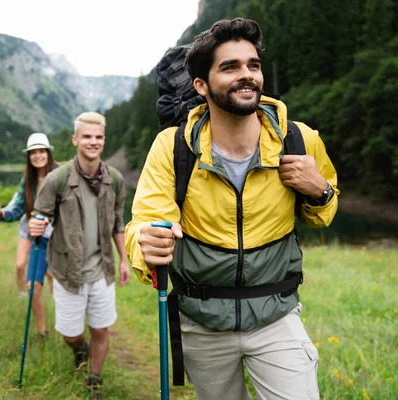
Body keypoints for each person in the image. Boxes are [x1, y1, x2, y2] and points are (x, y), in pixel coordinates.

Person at [125, 18, 339, 400]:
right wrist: (144, 244)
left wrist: (320, 189)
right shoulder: (174, 147)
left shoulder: (299, 139)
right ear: (201, 86)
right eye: (230, 67)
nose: (247, 75)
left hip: (277, 317)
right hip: (202, 322)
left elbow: (321, 212)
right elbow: (145, 220)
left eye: (252, 65)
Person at [28, 112, 131, 399]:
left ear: (104, 140)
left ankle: (94, 381)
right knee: (70, 335)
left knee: (101, 330)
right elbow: (40, 215)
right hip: (66, 273)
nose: (93, 142)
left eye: (98, 137)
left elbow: (117, 223)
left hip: (101, 271)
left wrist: (124, 259)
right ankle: (79, 349)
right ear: (75, 140)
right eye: (87, 136)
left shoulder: (115, 179)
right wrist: (37, 224)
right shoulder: (56, 179)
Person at [0, 132, 58, 337]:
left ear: (48, 153)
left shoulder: (61, 175)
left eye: (41, 151)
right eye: (33, 152)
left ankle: (67, 329)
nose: (38, 156)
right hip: (35, 237)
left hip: (59, 238)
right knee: (32, 284)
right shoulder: (28, 180)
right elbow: (16, 210)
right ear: (28, 157)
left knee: (58, 284)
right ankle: (42, 331)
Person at [2, 193, 54, 297]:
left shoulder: (54, 187)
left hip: (47, 235)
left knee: (50, 273)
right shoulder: (27, 188)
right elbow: (13, 209)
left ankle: (55, 301)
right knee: (20, 265)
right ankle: (22, 294)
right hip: (27, 232)